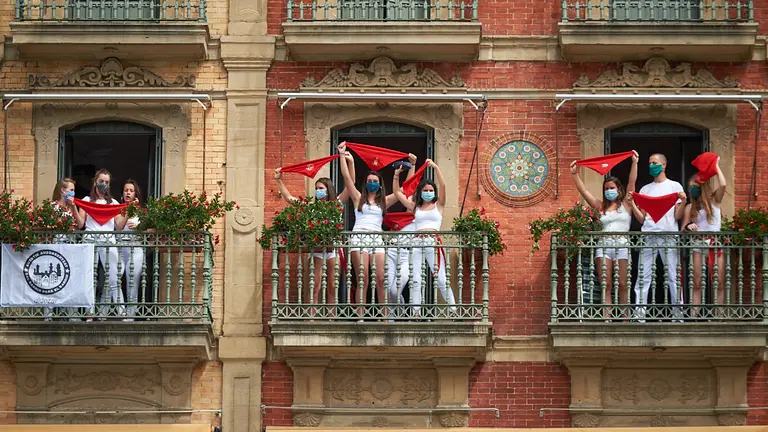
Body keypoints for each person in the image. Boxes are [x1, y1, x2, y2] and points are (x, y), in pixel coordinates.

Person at [273, 151, 356, 313]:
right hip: (317, 250)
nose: (318, 191)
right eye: (317, 188)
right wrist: (278, 181)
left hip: (333, 250)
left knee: (333, 286)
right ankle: (310, 317)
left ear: (328, 190)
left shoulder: (336, 204)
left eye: (321, 188)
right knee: (315, 286)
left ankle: (331, 318)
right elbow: (290, 199)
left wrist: (350, 163)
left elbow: (350, 184)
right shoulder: (311, 207)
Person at [570, 150, 638, 319]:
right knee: (606, 284)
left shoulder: (626, 205)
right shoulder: (600, 206)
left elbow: (631, 184)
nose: (609, 191)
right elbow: (585, 192)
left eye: (612, 188)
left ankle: (625, 318)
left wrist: (634, 163)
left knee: (623, 284)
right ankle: (607, 318)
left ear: (618, 189)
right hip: (603, 246)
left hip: (622, 244)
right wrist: (575, 174)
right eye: (606, 188)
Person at [338, 142, 399, 319]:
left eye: (375, 182)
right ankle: (361, 317)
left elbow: (403, 192)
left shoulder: (384, 201)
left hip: (377, 239)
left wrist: (407, 170)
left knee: (381, 279)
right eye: (370, 181)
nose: (372, 183)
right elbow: (347, 178)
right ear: (366, 184)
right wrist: (342, 155)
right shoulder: (358, 198)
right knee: (362, 278)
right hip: (359, 237)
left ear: (380, 185)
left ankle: (386, 317)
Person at [393, 159, 456, 317]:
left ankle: (454, 310)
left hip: (432, 241)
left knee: (441, 277)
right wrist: (396, 175)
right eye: (425, 190)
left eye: (430, 190)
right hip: (417, 242)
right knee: (416, 279)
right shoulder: (415, 207)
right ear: (420, 192)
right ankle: (416, 311)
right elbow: (397, 194)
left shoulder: (439, 205)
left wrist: (436, 168)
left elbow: (443, 186)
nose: (428, 192)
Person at [630, 154, 687, 321]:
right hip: (648, 235)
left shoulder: (674, 186)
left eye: (654, 163)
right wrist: (633, 203)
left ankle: (678, 315)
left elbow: (677, 215)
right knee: (643, 276)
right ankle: (640, 315)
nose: (651, 166)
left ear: (663, 165)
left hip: (669, 235)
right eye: (649, 163)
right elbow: (642, 218)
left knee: (673, 276)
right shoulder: (645, 189)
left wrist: (683, 201)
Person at [681, 156, 727, 317]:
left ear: (702, 186)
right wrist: (688, 227)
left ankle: (719, 315)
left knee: (719, 282)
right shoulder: (690, 207)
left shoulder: (715, 200)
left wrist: (716, 166)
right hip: (698, 243)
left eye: (695, 186)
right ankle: (695, 315)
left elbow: (723, 184)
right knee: (697, 281)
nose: (692, 189)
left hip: (715, 243)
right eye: (690, 187)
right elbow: (683, 229)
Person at [78, 169, 127, 319]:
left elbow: (119, 226)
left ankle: (121, 312)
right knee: (90, 279)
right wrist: (73, 207)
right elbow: (80, 224)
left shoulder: (113, 203)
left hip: (108, 242)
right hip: (90, 241)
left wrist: (127, 212)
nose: (104, 184)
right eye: (101, 181)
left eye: (107, 182)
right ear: (95, 182)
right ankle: (90, 313)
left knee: (114, 278)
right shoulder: (86, 200)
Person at [50, 178, 85, 321]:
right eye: (71, 189)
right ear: (63, 190)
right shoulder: (52, 207)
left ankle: (72, 314)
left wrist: (73, 207)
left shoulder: (71, 207)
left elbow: (80, 225)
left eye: (74, 190)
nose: (73, 192)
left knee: (71, 280)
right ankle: (49, 314)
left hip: (70, 247)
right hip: (56, 247)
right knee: (53, 280)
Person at [119, 179, 144, 321]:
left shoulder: (143, 211)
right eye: (126, 190)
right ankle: (120, 310)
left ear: (135, 194)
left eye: (131, 190)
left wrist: (139, 227)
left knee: (132, 281)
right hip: (120, 248)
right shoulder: (118, 208)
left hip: (137, 248)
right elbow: (117, 227)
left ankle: (131, 314)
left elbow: (148, 229)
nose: (128, 192)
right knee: (114, 279)